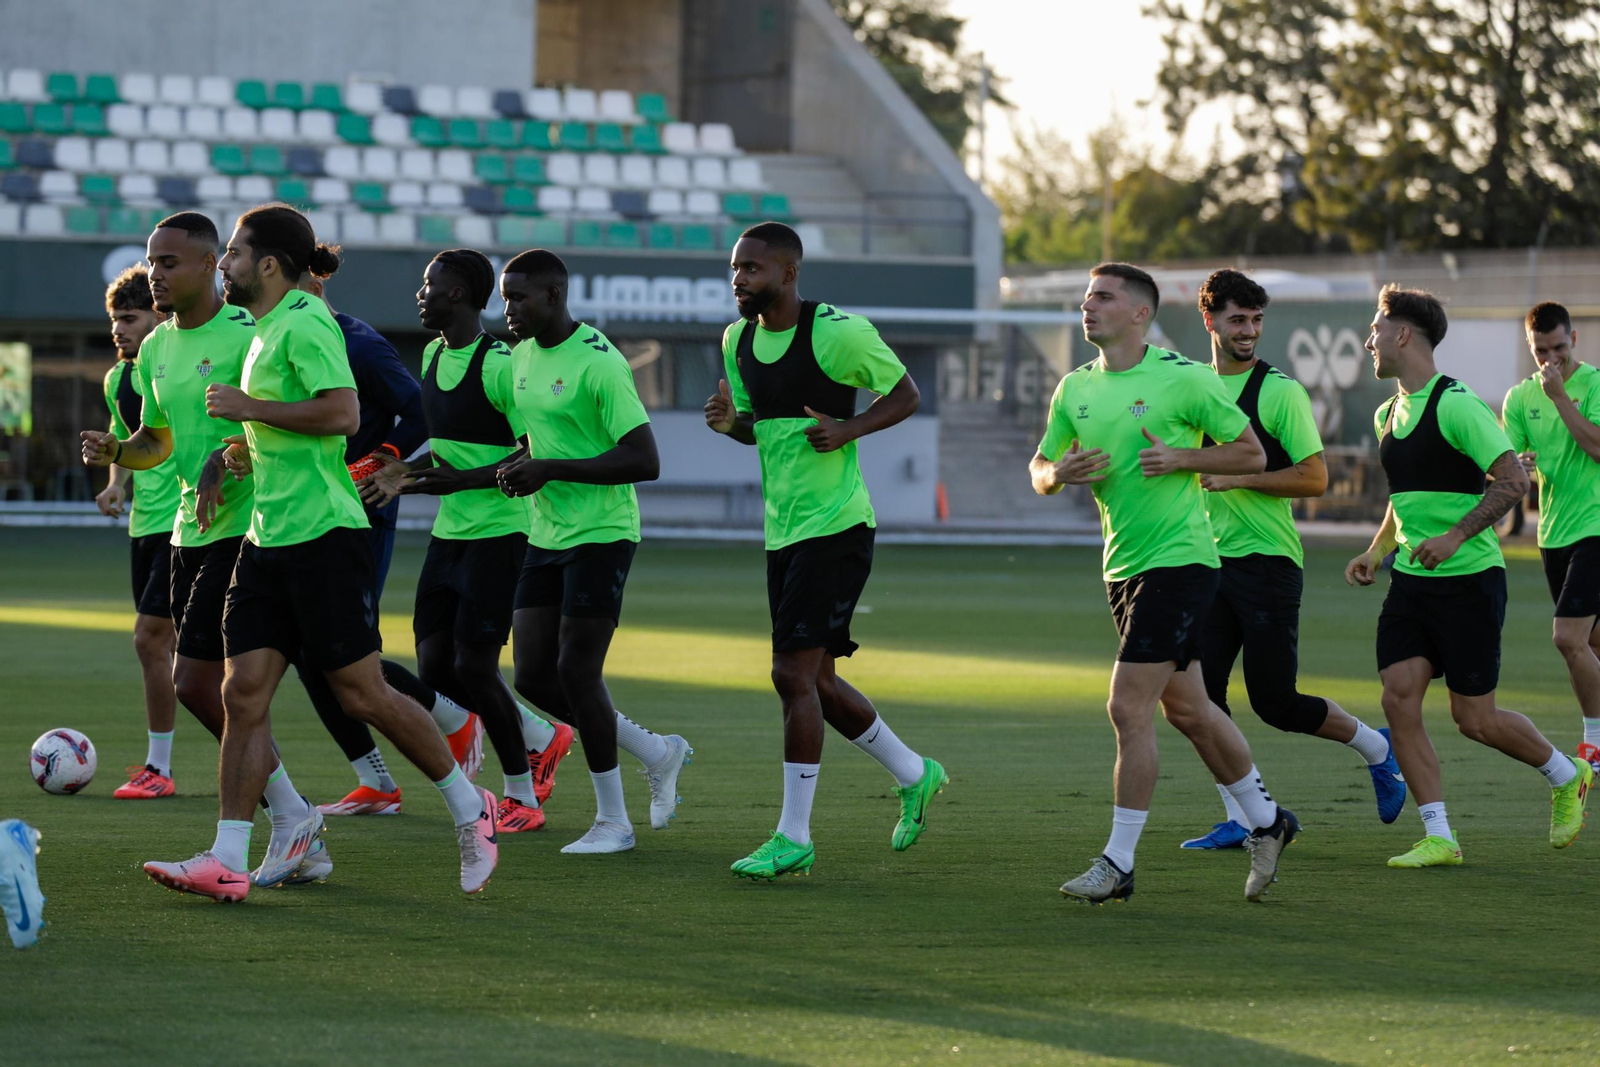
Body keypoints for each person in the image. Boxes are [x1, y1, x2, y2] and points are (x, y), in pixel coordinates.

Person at [139, 203, 496, 900]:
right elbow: (279, 429)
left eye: (235, 254)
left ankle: (467, 803)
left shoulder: (307, 322)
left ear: (267, 264)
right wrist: (237, 454)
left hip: (326, 537)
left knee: (362, 692)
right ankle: (228, 857)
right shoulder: (266, 331)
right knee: (241, 693)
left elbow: (342, 413)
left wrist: (251, 409)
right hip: (266, 540)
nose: (227, 264)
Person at [1030, 261, 1299, 905]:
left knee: (1127, 707)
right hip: (1121, 568)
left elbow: (1251, 455)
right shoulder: (1074, 389)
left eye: (1103, 297)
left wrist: (1183, 457)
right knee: (1190, 708)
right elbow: (1040, 466)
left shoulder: (1184, 379)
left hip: (1181, 563)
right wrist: (1056, 474)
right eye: (1087, 296)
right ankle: (1267, 821)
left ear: (1140, 313)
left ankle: (1118, 864)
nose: (1088, 306)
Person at [80, 211, 324, 887]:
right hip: (188, 527)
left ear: (209, 264)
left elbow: (283, 409)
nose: (156, 273)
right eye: (151, 261)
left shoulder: (248, 328)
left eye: (168, 262)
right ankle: (295, 815)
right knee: (203, 686)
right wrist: (119, 452)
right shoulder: (155, 350)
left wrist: (232, 455)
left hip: (248, 526)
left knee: (206, 682)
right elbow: (159, 441)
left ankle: (265, 829)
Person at [704, 222, 947, 881]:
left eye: (751, 269)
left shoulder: (837, 332)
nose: (738, 280)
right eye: (734, 269)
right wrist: (733, 427)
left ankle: (794, 836)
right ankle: (915, 772)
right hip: (782, 531)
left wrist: (849, 429)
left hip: (837, 527)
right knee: (816, 680)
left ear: (788, 273)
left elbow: (905, 394)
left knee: (791, 675)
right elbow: (763, 430)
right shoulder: (737, 341)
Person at [1345, 286, 1592, 869]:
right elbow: (1402, 501)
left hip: (1470, 581)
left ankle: (1565, 773)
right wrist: (1378, 550)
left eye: (1376, 329)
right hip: (1410, 581)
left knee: (1474, 720)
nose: (1369, 341)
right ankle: (1440, 836)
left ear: (1402, 334)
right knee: (1398, 697)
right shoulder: (1387, 413)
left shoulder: (1456, 404)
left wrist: (1455, 536)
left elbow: (1512, 483)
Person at [1183, 268, 1405, 849]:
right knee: (1197, 699)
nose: (1249, 331)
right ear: (1209, 321)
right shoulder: (1193, 388)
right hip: (1205, 564)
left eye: (1256, 320)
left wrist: (1242, 480)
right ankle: (1245, 816)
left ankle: (1378, 750)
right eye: (1237, 320)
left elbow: (1315, 478)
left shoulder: (1279, 391)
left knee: (1276, 702)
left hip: (1267, 564)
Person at [361, 248, 574, 834]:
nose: (420, 294)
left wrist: (460, 480)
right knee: (436, 666)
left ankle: (521, 795)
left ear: (457, 294)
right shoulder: (431, 355)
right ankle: (541, 733)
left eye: (429, 285)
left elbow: (537, 448)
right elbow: (450, 449)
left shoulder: (502, 365)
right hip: (449, 532)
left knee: (476, 667)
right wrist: (404, 469)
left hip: (503, 532)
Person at [495, 248, 690, 854]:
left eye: (519, 298)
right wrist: (522, 462)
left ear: (554, 296)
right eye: (504, 298)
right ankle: (657, 752)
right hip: (546, 533)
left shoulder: (600, 362)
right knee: (532, 673)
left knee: (578, 672)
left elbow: (644, 460)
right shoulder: (521, 356)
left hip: (603, 533)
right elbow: (538, 435)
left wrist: (549, 467)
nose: (508, 311)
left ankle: (615, 822)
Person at [1502, 302, 1600, 774]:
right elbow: (1512, 467)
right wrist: (1514, 469)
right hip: (1552, 533)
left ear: (1574, 341)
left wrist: (1561, 397)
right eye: (1542, 351)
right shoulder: (1519, 398)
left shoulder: (1594, 384)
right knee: (1594, 643)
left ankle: (1594, 749)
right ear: (1530, 347)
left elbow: (1598, 449)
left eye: (1559, 348)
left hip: (1595, 527)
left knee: (1567, 638)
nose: (1551, 360)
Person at [97, 266, 183, 798]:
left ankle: (160, 768)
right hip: (145, 526)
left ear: (158, 315)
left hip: (188, 521)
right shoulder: (118, 378)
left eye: (129, 318)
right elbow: (125, 435)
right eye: (114, 321)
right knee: (170, 651)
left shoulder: (177, 364)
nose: (118, 330)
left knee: (151, 640)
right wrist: (115, 483)